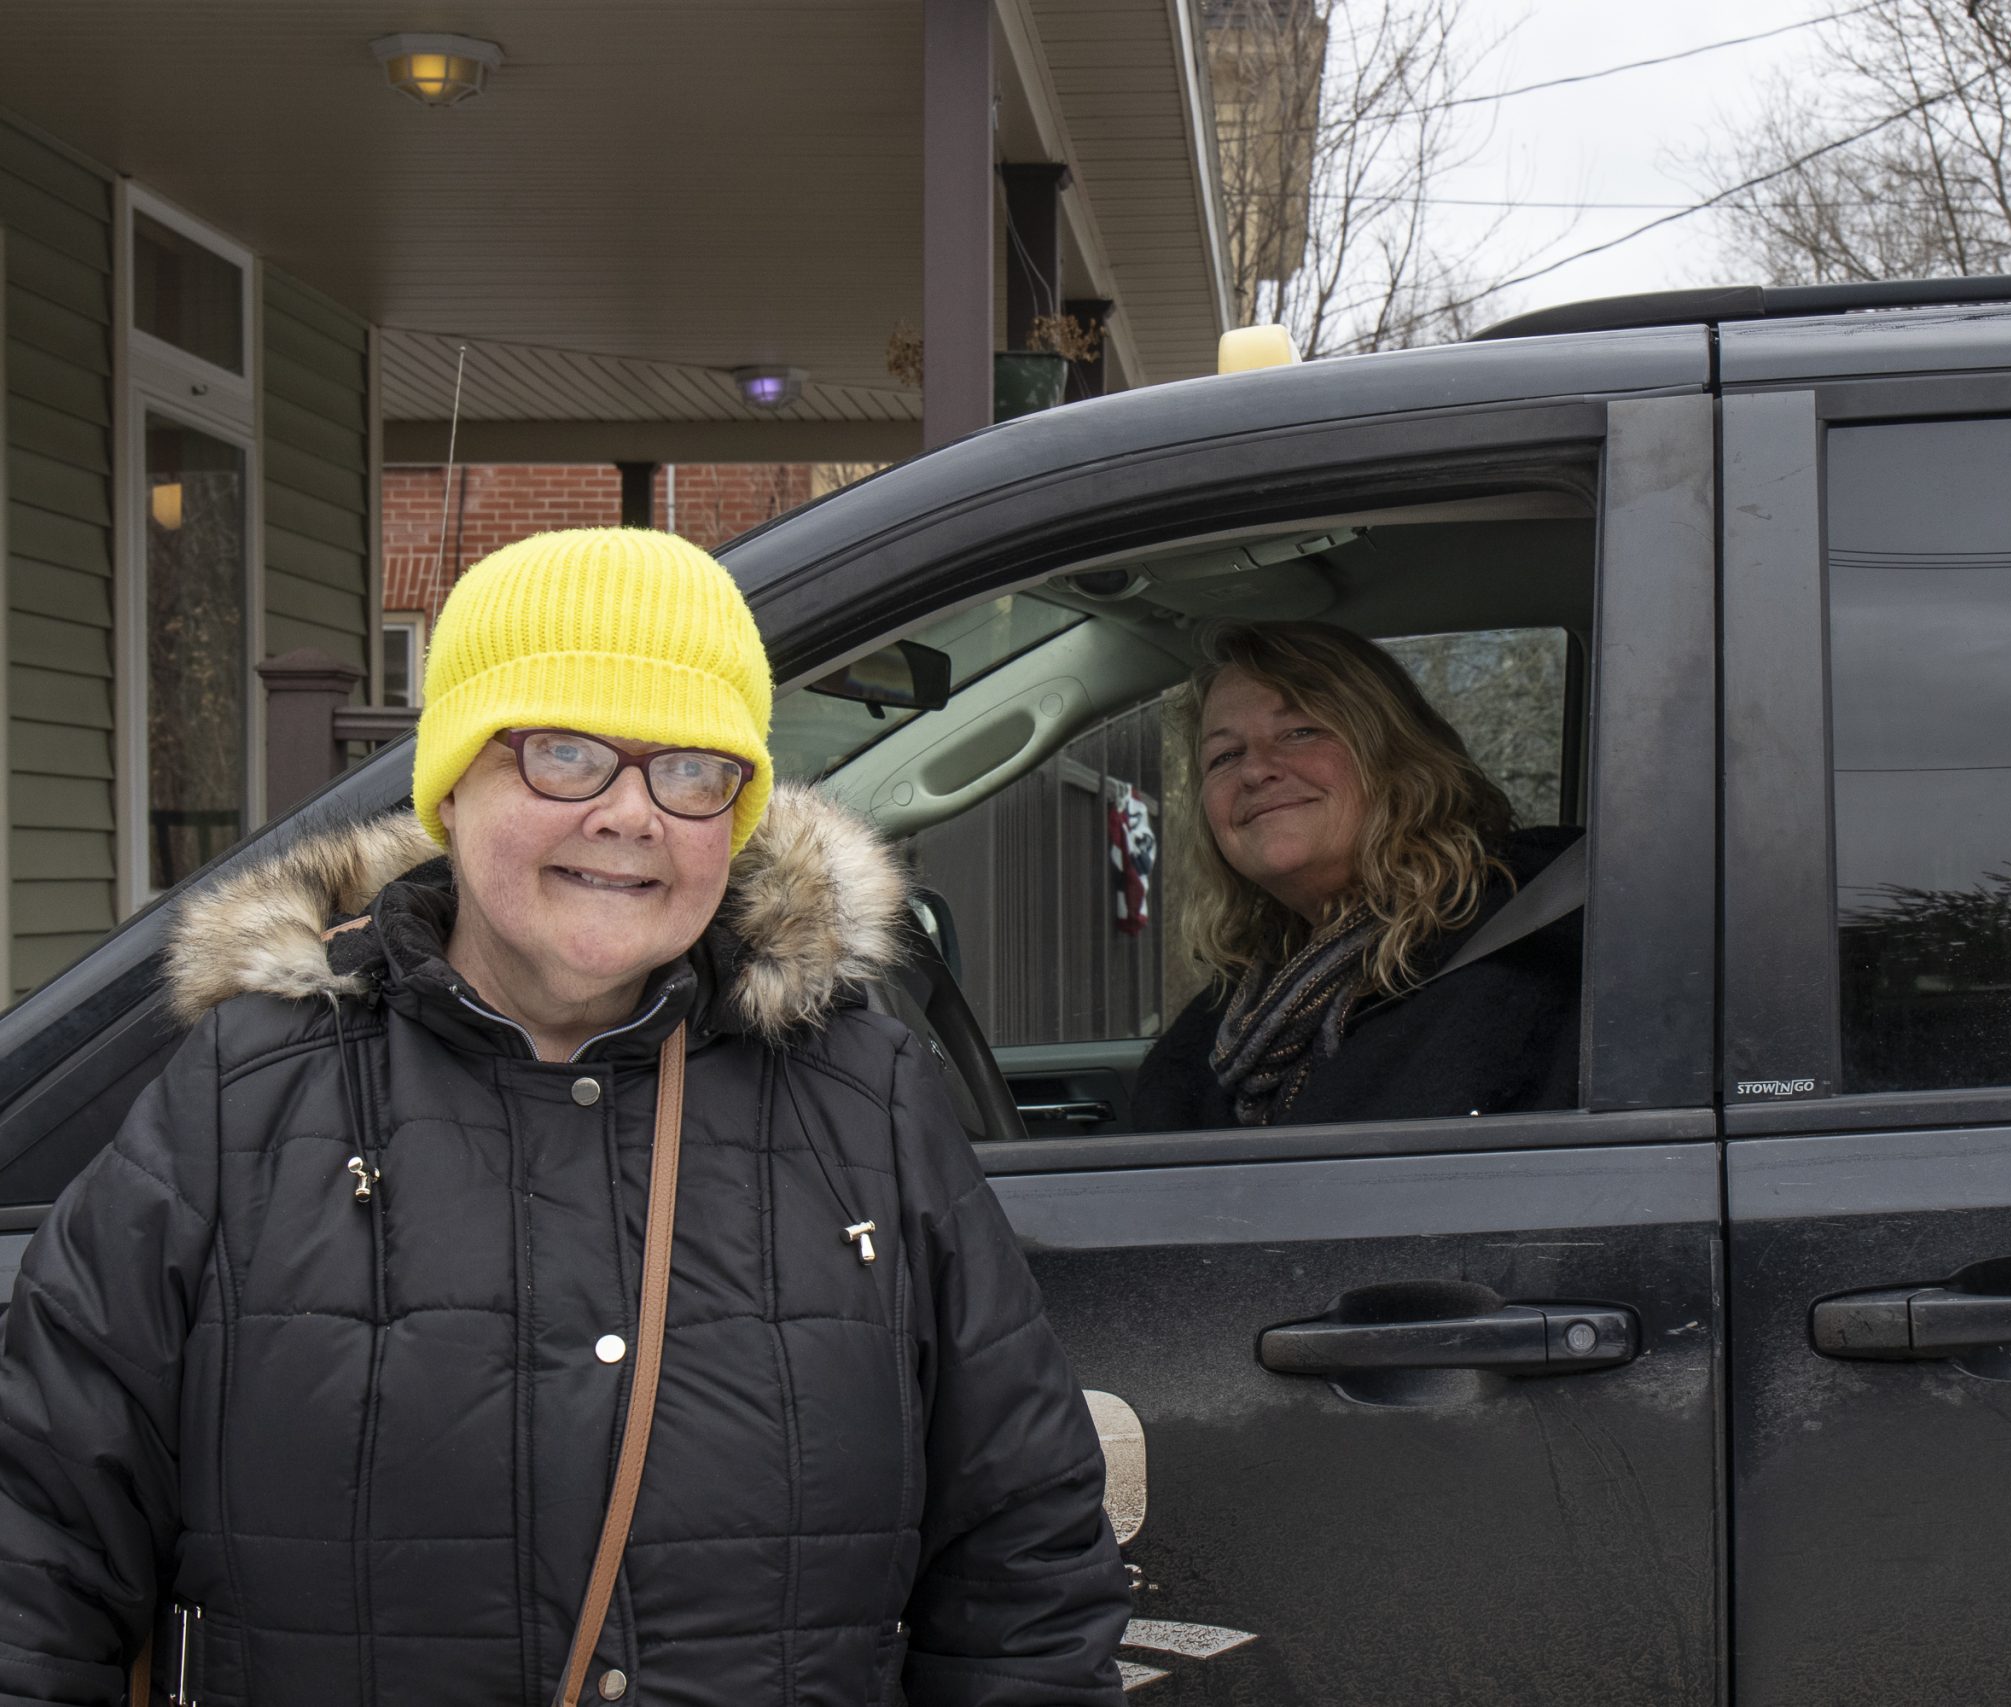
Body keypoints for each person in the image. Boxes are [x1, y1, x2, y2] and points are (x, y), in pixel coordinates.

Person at [0, 530, 1129, 1706]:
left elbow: (1025, 1572)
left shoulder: (863, 1097)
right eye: (566, 753)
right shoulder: (245, 1095)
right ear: (452, 784)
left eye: (692, 769)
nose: (631, 814)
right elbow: (34, 1555)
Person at [1132, 621, 1582, 1130]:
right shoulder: (1243, 998)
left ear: (1394, 751)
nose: (1255, 771)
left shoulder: (1528, 948)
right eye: (1225, 755)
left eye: (1300, 731)